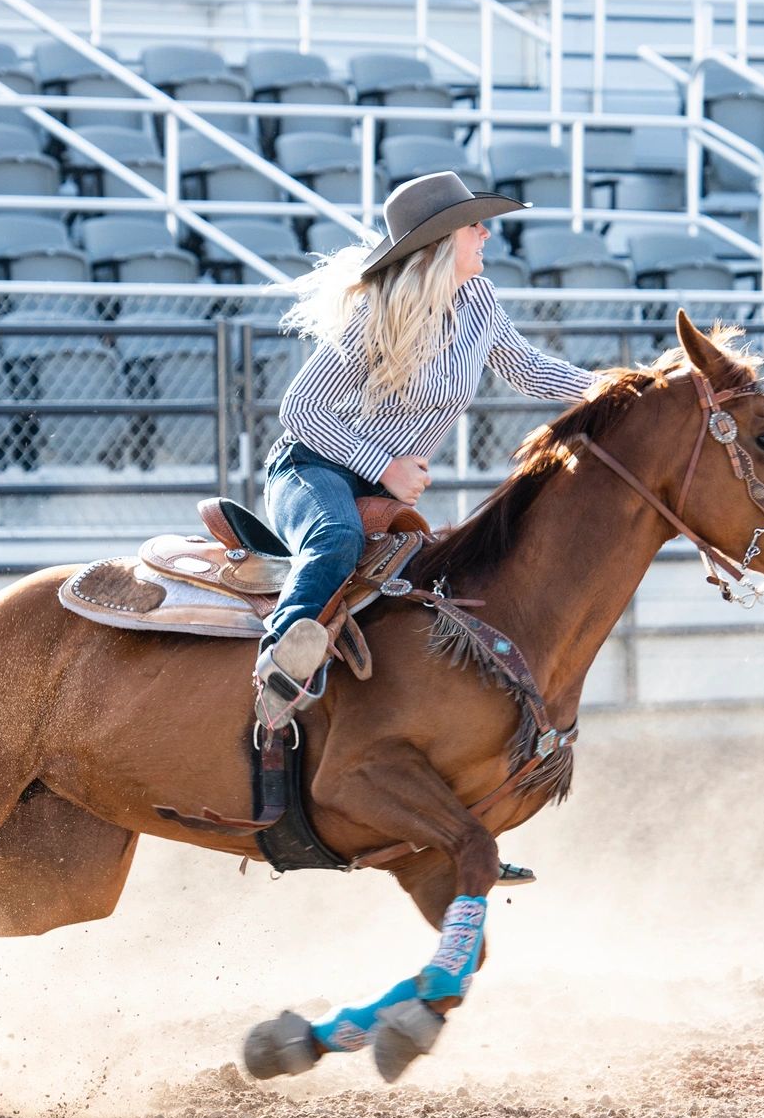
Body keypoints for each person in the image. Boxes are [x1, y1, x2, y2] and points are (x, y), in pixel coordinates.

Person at [255, 171, 597, 732]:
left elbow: (529, 369)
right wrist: (383, 467)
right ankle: (279, 667)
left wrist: (613, 387)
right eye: (475, 225)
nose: (487, 233)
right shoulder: (374, 314)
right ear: (442, 241)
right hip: (310, 466)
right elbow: (301, 410)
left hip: (375, 485)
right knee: (336, 538)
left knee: (434, 585)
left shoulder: (479, 300)